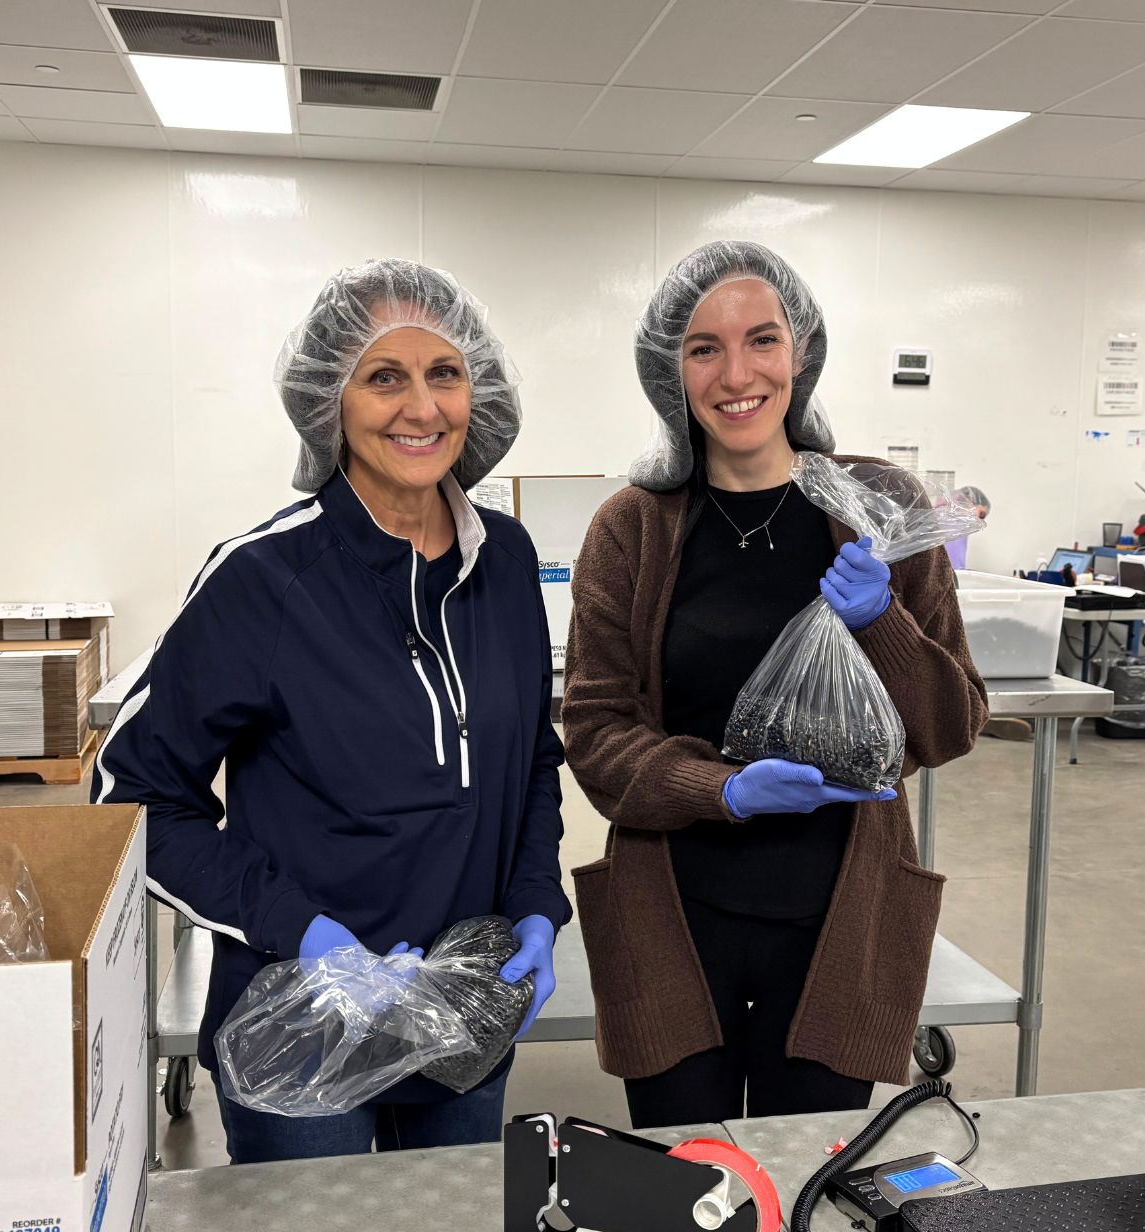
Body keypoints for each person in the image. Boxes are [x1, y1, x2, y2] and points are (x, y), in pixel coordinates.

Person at [93, 259, 567, 1161]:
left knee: (447, 1222)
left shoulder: (504, 560)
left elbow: (532, 761)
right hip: (301, 1028)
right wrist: (305, 935)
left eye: (445, 373)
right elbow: (133, 800)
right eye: (385, 377)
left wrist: (536, 904)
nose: (421, 408)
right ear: (329, 403)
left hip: (465, 1018)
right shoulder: (266, 580)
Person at [561, 241, 988, 1129]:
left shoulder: (879, 507)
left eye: (763, 339)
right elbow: (596, 734)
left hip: (840, 921)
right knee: (691, 1182)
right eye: (703, 348)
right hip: (673, 919)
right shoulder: (632, 528)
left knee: (811, 1176)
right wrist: (722, 790)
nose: (737, 374)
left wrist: (883, 622)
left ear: (802, 352)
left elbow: (949, 728)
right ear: (669, 370)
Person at [943, 485, 990, 571]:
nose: (980, 521)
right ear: (970, 501)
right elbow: (954, 568)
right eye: (982, 514)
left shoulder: (960, 526)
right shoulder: (956, 526)